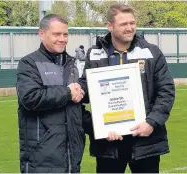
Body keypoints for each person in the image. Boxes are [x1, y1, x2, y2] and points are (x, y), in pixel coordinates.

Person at [78, 4, 175, 173]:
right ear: (110, 26)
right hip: (109, 142)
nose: (130, 28)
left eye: (132, 23)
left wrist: (151, 123)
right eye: (124, 24)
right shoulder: (94, 54)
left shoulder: (151, 52)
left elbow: (166, 91)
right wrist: (97, 126)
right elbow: (88, 90)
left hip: (146, 140)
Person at [16, 14, 87, 173]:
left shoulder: (72, 64)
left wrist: (106, 124)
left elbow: (75, 110)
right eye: (56, 34)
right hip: (41, 160)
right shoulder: (29, 63)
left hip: (72, 159)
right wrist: (68, 93)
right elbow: (29, 98)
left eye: (65, 34)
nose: (62, 39)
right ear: (41, 34)